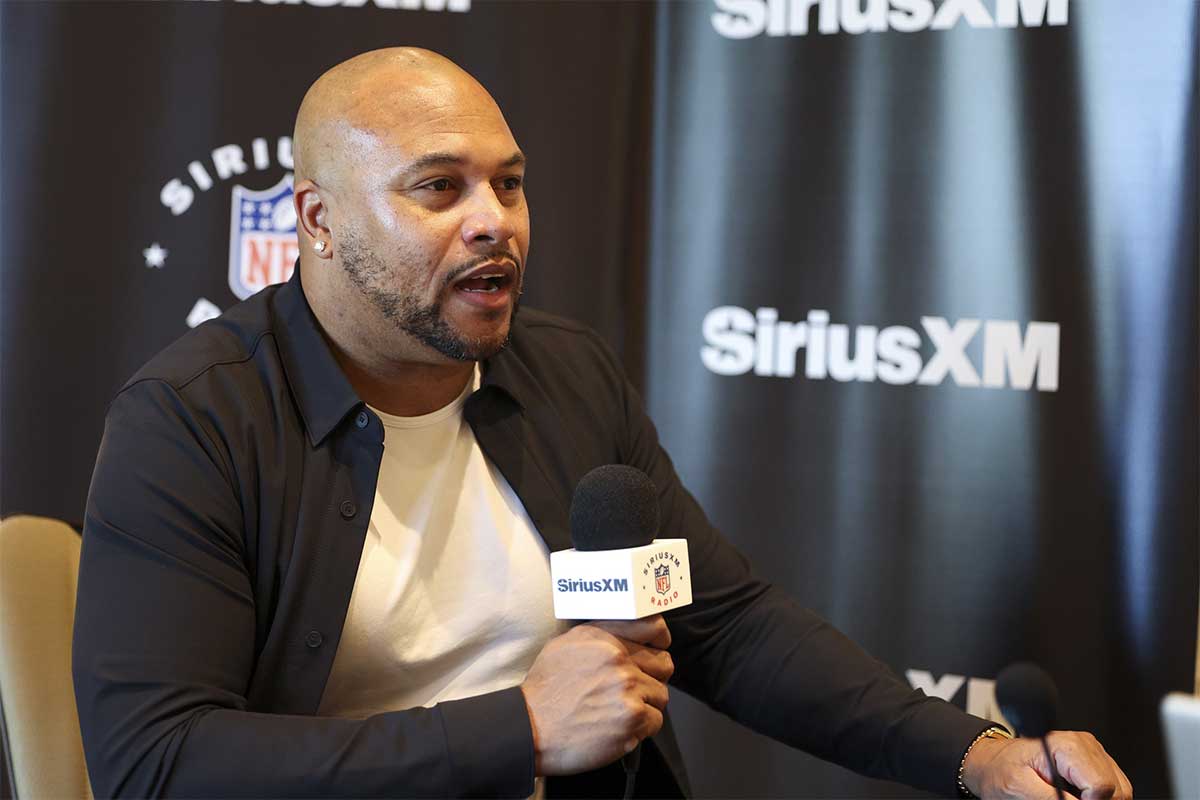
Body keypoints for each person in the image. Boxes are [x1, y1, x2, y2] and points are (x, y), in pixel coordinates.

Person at [73, 47, 1132, 800]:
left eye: (510, 183)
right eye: (439, 188)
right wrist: (518, 728)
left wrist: (974, 753)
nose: (495, 219)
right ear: (317, 222)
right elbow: (158, 760)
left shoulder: (563, 371)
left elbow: (728, 623)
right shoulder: (192, 421)